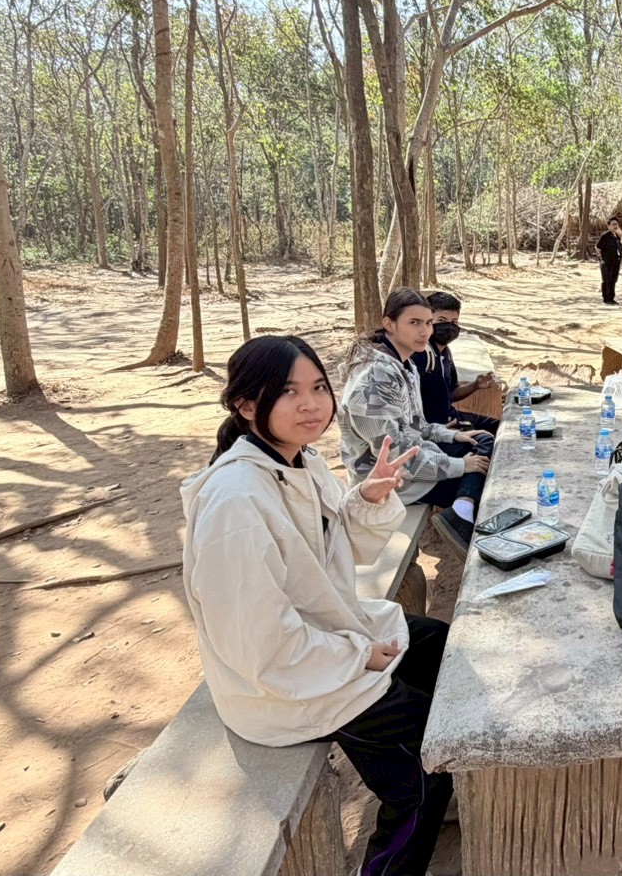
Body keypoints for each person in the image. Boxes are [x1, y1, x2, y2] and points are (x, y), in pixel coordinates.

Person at [182, 335, 451, 876]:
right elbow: (258, 642)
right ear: (246, 404)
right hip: (285, 683)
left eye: (319, 388)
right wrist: (359, 655)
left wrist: (367, 498)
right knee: (427, 763)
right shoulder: (236, 501)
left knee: (445, 649)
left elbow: (331, 553)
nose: (311, 404)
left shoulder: (297, 461)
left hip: (329, 634)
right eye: (289, 391)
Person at [340, 288, 492, 553]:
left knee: (482, 442)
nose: (425, 331)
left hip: (418, 459)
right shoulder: (374, 378)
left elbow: (416, 425)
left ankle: (461, 512)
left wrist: (452, 435)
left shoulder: (405, 365)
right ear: (389, 324)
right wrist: (459, 465)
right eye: (414, 322)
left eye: (428, 323)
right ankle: (465, 521)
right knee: (486, 481)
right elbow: (395, 456)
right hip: (393, 482)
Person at [409, 290, 498, 438]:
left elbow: (450, 393)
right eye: (442, 320)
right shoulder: (420, 354)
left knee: (501, 427)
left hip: (452, 416)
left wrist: (476, 385)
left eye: (454, 322)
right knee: (485, 440)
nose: (449, 326)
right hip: (435, 426)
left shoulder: (446, 353)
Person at [598, 216, 622, 304]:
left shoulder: (618, 237)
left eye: (616, 224)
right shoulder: (605, 236)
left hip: (616, 261)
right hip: (606, 262)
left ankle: (611, 298)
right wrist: (601, 258)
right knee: (606, 280)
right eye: (613, 224)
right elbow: (597, 247)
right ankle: (606, 298)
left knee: (613, 280)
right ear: (608, 226)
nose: (615, 226)